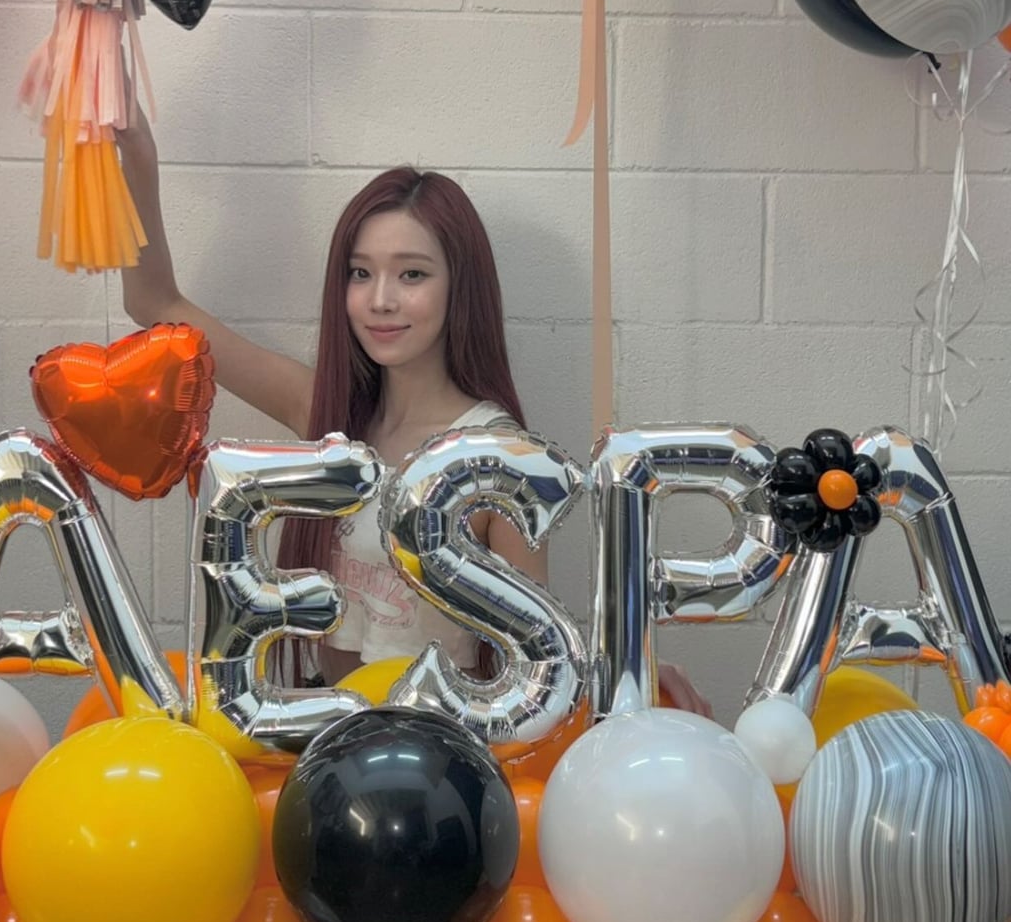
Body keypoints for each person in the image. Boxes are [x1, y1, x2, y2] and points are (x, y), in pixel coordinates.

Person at [117, 117, 709, 711]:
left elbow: (538, 656)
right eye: (361, 273)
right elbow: (154, 302)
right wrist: (137, 154)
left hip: (440, 746)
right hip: (325, 733)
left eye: (412, 274)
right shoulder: (329, 414)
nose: (380, 299)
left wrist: (626, 671)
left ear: (459, 287)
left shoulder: (495, 455)